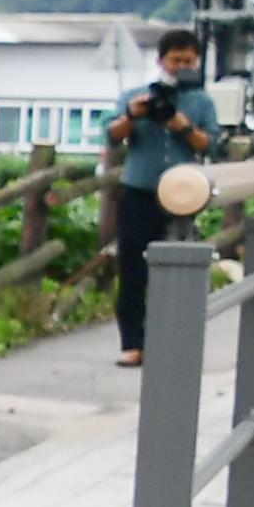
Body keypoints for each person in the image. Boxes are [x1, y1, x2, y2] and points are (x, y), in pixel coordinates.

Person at [106, 27, 220, 367]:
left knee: (176, 268)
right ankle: (133, 343)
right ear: (160, 60)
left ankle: (169, 341)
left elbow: (210, 143)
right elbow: (111, 136)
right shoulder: (137, 94)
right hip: (139, 191)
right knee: (132, 267)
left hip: (183, 195)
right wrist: (133, 114)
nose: (181, 66)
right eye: (176, 60)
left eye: (189, 60)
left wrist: (182, 126)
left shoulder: (201, 100)